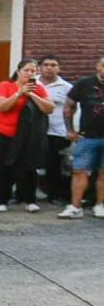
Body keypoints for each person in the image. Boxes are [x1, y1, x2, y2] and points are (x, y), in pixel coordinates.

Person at [0, 58, 53, 212]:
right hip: (4, 132)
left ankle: (29, 200)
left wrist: (32, 95)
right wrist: (19, 93)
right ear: (18, 71)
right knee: (4, 165)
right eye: (26, 70)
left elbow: (49, 108)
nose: (30, 73)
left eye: (33, 71)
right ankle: (2, 200)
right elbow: (0, 106)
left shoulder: (38, 88)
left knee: (29, 166)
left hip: (28, 135)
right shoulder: (6, 85)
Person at [59, 55, 104, 218]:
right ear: (98, 66)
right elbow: (68, 107)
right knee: (79, 171)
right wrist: (70, 129)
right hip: (87, 136)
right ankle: (75, 206)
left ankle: (100, 205)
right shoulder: (84, 83)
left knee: (103, 172)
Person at [36, 55, 72, 202]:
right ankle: (28, 193)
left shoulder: (67, 87)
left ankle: (54, 195)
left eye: (53, 65)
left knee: (54, 165)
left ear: (58, 68)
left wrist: (71, 130)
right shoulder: (32, 83)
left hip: (56, 132)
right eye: (46, 65)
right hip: (34, 131)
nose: (49, 68)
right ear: (40, 67)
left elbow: (72, 109)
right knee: (31, 163)